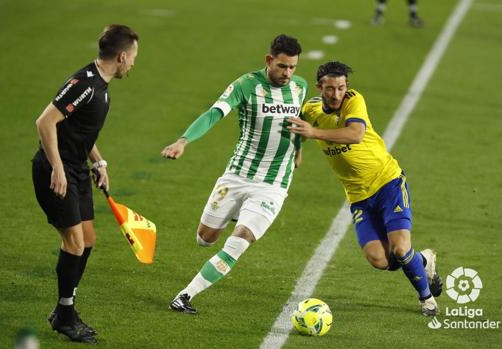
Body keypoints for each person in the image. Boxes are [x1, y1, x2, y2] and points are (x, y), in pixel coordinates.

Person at [162, 34, 308, 314]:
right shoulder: (246, 85)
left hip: (273, 183)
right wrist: (183, 141)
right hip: (238, 175)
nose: (287, 74)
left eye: (292, 67)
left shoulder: (299, 87)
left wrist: (298, 150)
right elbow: (214, 114)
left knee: (240, 240)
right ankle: (236, 211)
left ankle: (185, 295)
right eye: (282, 67)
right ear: (269, 61)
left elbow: (297, 122)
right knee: (205, 239)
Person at [287, 61, 442, 316]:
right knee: (380, 259)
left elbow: (356, 134)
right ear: (319, 87)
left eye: (340, 88)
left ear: (346, 87)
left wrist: (314, 133)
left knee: (401, 248)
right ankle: (424, 261)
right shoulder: (311, 109)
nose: (336, 94)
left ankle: (426, 299)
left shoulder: (353, 100)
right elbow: (298, 127)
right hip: (359, 197)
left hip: (387, 182)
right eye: (330, 89)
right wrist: (298, 149)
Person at [32, 24, 139, 343]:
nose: (133, 63)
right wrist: (58, 168)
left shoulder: (100, 85)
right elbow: (45, 121)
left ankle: (65, 308)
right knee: (74, 244)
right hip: (55, 173)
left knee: (87, 240)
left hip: (76, 169)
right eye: (133, 57)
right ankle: (65, 314)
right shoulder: (85, 85)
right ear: (121, 56)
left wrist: (98, 160)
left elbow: (78, 129)